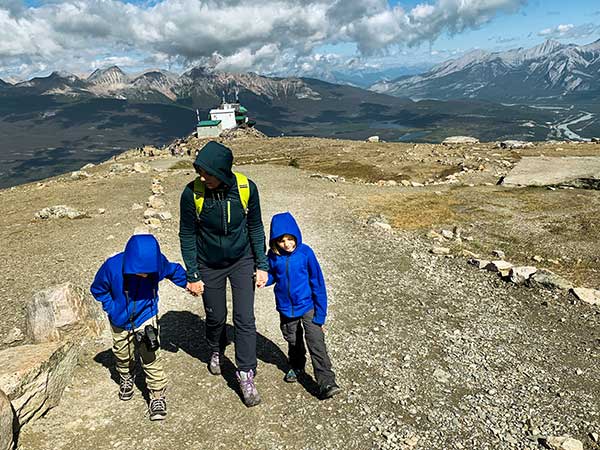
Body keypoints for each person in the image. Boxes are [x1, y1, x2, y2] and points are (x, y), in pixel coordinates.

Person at [179, 141, 268, 407]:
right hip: (209, 264)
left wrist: (261, 265)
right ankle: (216, 347)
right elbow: (187, 234)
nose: (202, 177)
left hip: (242, 260)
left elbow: (255, 227)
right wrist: (193, 273)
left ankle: (245, 372)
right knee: (216, 317)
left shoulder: (245, 188)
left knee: (245, 317)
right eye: (200, 171)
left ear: (222, 171)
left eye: (208, 173)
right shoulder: (191, 193)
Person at [90, 234, 187, 420]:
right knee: (122, 353)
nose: (145, 275)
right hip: (120, 320)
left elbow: (174, 271)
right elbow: (97, 290)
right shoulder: (112, 267)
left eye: (149, 272)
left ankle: (157, 394)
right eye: (140, 271)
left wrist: (190, 284)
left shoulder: (157, 264)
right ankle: (126, 374)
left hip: (146, 316)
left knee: (150, 355)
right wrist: (112, 308)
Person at [264, 212, 341, 400]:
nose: (287, 244)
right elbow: (273, 276)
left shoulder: (306, 253)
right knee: (293, 339)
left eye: (290, 239)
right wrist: (263, 279)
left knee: (316, 342)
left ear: (296, 235)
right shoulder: (273, 256)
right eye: (281, 241)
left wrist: (321, 314)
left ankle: (327, 381)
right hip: (286, 307)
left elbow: (318, 283)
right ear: (275, 242)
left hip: (308, 306)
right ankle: (297, 366)